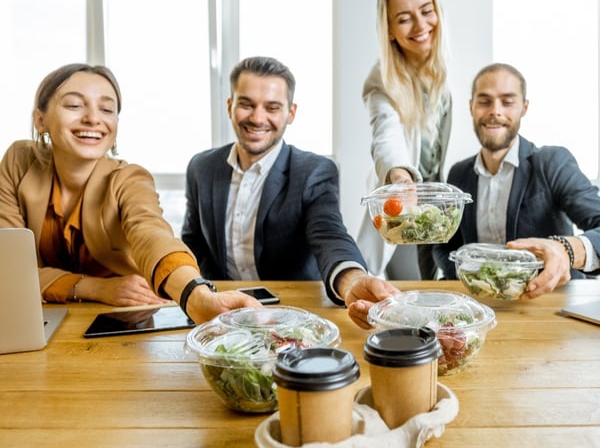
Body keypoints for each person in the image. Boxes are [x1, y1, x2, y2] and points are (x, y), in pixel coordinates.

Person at [0, 63, 261, 323]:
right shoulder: (18, 162)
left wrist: (196, 296)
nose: (93, 118)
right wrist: (96, 288)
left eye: (106, 109)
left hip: (120, 322)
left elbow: (153, 237)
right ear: (40, 120)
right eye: (74, 105)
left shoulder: (129, 178)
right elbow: (8, 269)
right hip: (36, 320)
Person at [181, 56, 397, 327]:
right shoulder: (201, 168)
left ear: (291, 113)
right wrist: (199, 293)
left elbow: (329, 235)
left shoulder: (314, 171)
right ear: (230, 106)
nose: (257, 118)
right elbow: (193, 244)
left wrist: (352, 279)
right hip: (220, 316)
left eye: (272, 107)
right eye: (246, 104)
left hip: (292, 317)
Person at [433, 63, 600, 297]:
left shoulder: (553, 162)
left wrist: (567, 250)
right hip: (480, 305)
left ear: (524, 107)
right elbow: (444, 245)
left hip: (549, 305)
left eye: (507, 101)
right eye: (484, 101)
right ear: (471, 107)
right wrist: (470, 278)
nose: (495, 111)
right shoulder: (458, 174)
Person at [356, 0, 452, 280]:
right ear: (391, 31)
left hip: (448, 207)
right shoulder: (381, 78)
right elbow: (386, 132)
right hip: (408, 204)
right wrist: (399, 176)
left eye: (426, 11)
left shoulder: (452, 67)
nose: (421, 26)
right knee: (408, 288)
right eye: (404, 19)